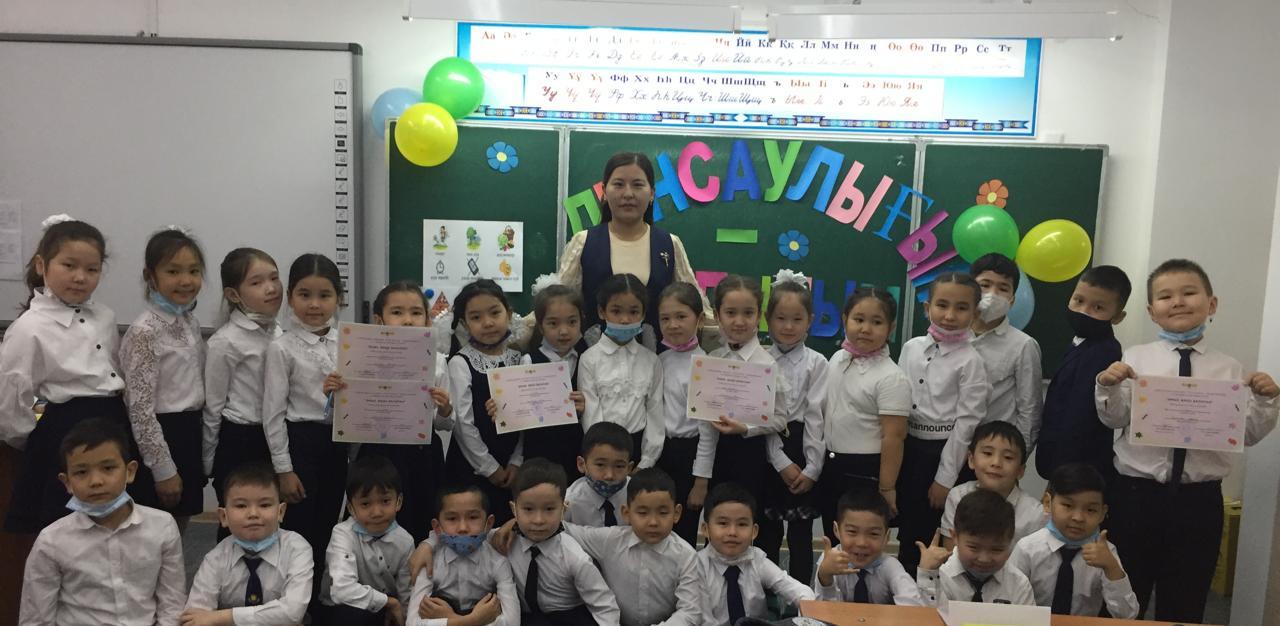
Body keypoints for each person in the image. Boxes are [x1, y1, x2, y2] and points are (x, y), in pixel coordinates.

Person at [1095, 258, 1279, 622]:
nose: (1177, 302)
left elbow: (1246, 434)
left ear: (1212, 304)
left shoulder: (1229, 369)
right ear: (1152, 311)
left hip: (1199, 501)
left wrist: (1265, 400)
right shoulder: (1134, 358)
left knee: (1187, 598)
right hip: (1135, 496)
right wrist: (1108, 385)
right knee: (1122, 595)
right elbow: (1113, 418)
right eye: (1165, 296)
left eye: (1189, 293)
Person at [1, 216, 128, 534]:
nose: (80, 277)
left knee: (116, 522)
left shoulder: (105, 316)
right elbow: (12, 398)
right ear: (42, 265)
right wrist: (36, 438)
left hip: (113, 422)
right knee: (65, 528)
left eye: (92, 269)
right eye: (69, 265)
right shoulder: (30, 327)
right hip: (63, 432)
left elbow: (113, 370)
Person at [19, 418, 185, 625]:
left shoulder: (162, 526)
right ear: (67, 482)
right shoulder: (51, 541)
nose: (96, 481)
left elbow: (172, 605)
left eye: (108, 468)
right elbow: (36, 618)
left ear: (130, 471)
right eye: (81, 472)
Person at [493, 467, 701, 626]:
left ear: (677, 513)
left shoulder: (686, 555)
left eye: (663, 513)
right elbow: (561, 527)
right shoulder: (610, 540)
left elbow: (690, 611)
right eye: (643, 512)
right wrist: (515, 523)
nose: (653, 522)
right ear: (626, 513)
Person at [262, 252, 347, 603]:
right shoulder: (281, 347)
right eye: (304, 294)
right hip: (301, 443)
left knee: (329, 523)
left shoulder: (349, 342)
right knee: (299, 529)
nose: (314, 304)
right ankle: (292, 602)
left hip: (337, 443)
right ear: (290, 296)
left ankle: (315, 601)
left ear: (338, 298)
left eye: (324, 295)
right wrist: (284, 469)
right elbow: (273, 413)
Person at [340, 281, 453, 542]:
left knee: (421, 521)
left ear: (427, 320)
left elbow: (445, 425)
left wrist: (445, 409)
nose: (408, 320)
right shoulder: (361, 357)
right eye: (397, 312)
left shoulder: (437, 361)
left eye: (416, 313)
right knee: (374, 521)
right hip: (377, 454)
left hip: (422, 456)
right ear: (379, 320)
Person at [557, 152, 708, 345]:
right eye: (619, 184)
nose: (628, 194)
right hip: (592, 358)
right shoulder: (583, 242)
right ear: (604, 191)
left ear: (652, 193)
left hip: (656, 358)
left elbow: (696, 307)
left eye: (637, 185)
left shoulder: (670, 244)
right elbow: (557, 303)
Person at [895, 272, 990, 576]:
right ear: (927, 308)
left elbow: (966, 424)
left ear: (975, 314)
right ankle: (903, 591)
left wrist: (944, 479)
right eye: (942, 305)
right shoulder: (911, 348)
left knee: (934, 532)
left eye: (961, 308)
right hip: (907, 449)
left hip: (944, 454)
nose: (949, 315)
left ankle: (932, 593)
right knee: (907, 528)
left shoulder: (971, 360)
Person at [119, 227, 208, 527]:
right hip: (160, 438)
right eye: (173, 271)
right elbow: (140, 409)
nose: (186, 280)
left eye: (193, 271)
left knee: (178, 528)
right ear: (150, 276)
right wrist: (162, 469)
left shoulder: (190, 322)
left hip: (188, 432)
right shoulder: (145, 331)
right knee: (151, 530)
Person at [691, 275, 788, 531]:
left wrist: (746, 428)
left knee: (748, 528)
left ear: (759, 316)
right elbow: (706, 430)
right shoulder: (712, 360)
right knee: (718, 528)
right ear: (717, 315)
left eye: (748, 313)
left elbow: (780, 419)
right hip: (718, 460)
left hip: (752, 460)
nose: (739, 321)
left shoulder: (767, 364)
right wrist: (701, 478)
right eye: (731, 312)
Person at [817, 287, 910, 544]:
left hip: (866, 471)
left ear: (891, 328)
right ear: (844, 319)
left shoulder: (892, 377)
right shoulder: (837, 358)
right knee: (834, 538)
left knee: (860, 545)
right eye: (858, 319)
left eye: (876, 322)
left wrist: (887, 488)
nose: (866, 329)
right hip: (832, 466)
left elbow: (894, 437)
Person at [203, 248, 284, 540]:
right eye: (257, 282)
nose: (271, 288)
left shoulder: (278, 332)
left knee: (271, 520)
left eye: (274, 278)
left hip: (275, 436)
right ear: (233, 295)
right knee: (238, 524)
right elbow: (213, 407)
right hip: (240, 440)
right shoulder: (225, 342)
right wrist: (208, 462)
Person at [183, 461, 314, 626]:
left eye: (264, 505)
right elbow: (196, 616)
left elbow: (292, 612)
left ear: (280, 512)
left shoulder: (297, 548)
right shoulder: (215, 558)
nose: (253, 513)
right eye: (241, 505)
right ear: (223, 517)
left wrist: (222, 617)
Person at [759, 270, 827, 585]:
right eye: (780, 318)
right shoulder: (758, 359)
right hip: (767, 448)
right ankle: (767, 595)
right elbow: (761, 418)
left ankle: (803, 596)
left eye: (797, 319)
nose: (788, 326)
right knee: (767, 532)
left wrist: (812, 468)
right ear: (767, 319)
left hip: (804, 447)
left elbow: (816, 415)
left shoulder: (817, 362)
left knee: (801, 534)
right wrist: (779, 460)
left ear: (810, 320)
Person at [1035, 265, 1130, 483]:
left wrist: (1062, 473)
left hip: (1077, 466)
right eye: (1078, 300)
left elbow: (1080, 415)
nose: (1084, 311)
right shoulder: (1080, 341)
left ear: (1117, 317)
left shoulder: (1105, 350)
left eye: (1098, 307)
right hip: (1059, 457)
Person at [1009, 463, 1138, 618]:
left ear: (1102, 513)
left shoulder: (1105, 552)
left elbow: (1127, 615)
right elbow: (1007, 601)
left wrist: (1112, 568)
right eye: (1068, 505)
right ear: (1048, 503)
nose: (1078, 518)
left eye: (1090, 510)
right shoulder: (1027, 548)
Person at [443, 279, 524, 525]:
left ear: (508, 313)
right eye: (476, 317)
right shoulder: (460, 363)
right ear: (465, 324)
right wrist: (490, 468)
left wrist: (516, 461)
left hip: (513, 467)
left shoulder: (521, 359)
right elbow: (463, 424)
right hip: (471, 468)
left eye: (495, 313)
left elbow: (528, 417)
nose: (488, 323)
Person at [505, 459, 620, 625]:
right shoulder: (502, 543)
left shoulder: (575, 557)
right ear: (514, 510)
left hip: (568, 618)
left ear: (563, 510)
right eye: (528, 509)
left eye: (549, 509)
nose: (538, 520)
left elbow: (605, 608)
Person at [693, 482, 815, 625]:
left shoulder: (757, 560)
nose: (732, 532)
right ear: (705, 529)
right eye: (723, 523)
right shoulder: (697, 567)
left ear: (754, 531)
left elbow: (800, 591)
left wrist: (807, 617)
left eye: (742, 524)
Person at [578, 273, 665, 468]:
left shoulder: (651, 361)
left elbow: (655, 413)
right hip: (601, 453)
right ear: (602, 312)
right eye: (616, 311)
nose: (625, 320)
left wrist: (647, 461)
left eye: (634, 312)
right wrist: (602, 459)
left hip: (640, 451)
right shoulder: (589, 359)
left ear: (643, 314)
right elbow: (591, 414)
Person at [318, 455, 414, 626]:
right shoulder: (342, 533)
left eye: (385, 501)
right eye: (365, 504)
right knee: (353, 617)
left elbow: (406, 593)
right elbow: (341, 590)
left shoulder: (405, 541)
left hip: (386, 610)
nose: (376, 512)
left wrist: (405, 619)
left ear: (398, 502)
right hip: (341, 609)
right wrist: (389, 602)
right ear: (351, 508)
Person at [406, 483, 518, 626]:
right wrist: (474, 620)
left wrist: (448, 619)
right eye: (452, 519)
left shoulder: (498, 561)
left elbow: (513, 622)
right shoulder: (429, 561)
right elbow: (412, 623)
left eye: (473, 517)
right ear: (437, 528)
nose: (463, 528)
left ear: (489, 523)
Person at [968, 253, 1043, 448]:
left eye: (1003, 288)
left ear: (1012, 300)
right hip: (946, 445)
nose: (992, 294)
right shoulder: (950, 337)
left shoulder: (1024, 345)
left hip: (992, 452)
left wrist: (1017, 456)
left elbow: (1030, 410)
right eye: (985, 285)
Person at [653, 282, 708, 544]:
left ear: (699, 319)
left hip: (691, 455)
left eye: (681, 317)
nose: (673, 325)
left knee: (685, 530)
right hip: (661, 453)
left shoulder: (706, 365)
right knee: (659, 526)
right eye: (665, 318)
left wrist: (701, 481)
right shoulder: (660, 360)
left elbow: (707, 432)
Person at [519, 278, 589, 479]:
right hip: (539, 453)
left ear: (581, 321)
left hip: (577, 454)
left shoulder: (588, 359)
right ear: (541, 326)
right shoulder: (529, 361)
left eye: (572, 322)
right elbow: (521, 415)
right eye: (553, 323)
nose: (564, 331)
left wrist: (586, 407)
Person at [915, 489, 1035, 606]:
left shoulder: (1018, 584)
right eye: (974, 547)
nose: (984, 559)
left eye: (996, 550)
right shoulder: (939, 576)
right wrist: (926, 574)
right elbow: (925, 617)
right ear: (954, 536)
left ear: (1010, 542)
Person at [939, 421, 1046, 548]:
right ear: (971, 460)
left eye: (1008, 457)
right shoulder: (957, 497)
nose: (996, 463)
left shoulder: (1035, 514)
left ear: (1020, 470)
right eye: (988, 453)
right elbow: (949, 551)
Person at [813, 489, 922, 606]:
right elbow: (821, 610)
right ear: (836, 530)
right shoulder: (829, 560)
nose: (862, 543)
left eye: (873, 534)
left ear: (886, 537)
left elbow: (913, 604)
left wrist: (926, 572)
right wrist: (825, 577)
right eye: (852, 531)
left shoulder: (890, 566)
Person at [564, 422, 633, 527]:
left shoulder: (638, 495)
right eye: (600, 465)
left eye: (619, 466)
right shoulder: (569, 502)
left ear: (629, 468)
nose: (609, 475)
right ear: (582, 464)